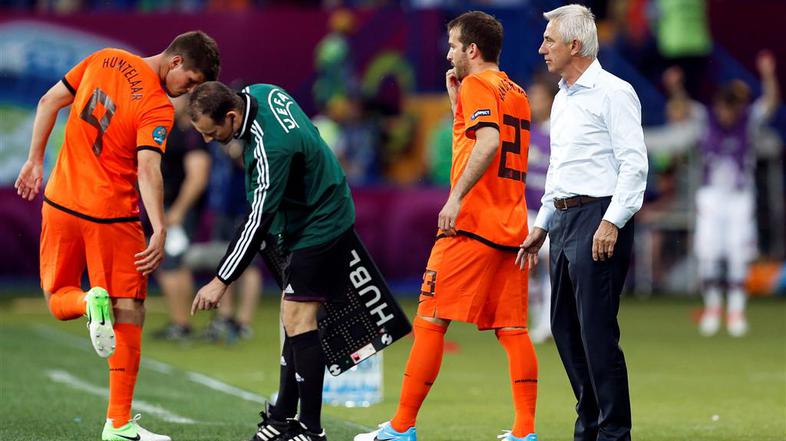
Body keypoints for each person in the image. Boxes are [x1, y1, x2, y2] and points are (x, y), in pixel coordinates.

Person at [13, 31, 219, 441]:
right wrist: (159, 225)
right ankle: (119, 423)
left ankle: (88, 303)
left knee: (58, 299)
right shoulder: (157, 106)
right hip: (112, 216)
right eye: (191, 81)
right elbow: (148, 169)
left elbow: (48, 101)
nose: (188, 91)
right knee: (130, 308)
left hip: (60, 202)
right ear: (176, 62)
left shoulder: (103, 58)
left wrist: (35, 160)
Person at [356, 11, 538, 441]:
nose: (448, 53)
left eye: (454, 45)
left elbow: (489, 142)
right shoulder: (516, 92)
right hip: (510, 225)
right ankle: (524, 431)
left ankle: (401, 427)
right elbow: (485, 140)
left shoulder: (477, 84)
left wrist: (455, 198)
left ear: (472, 49)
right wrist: (458, 109)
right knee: (513, 331)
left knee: (431, 320)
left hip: (472, 224)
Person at [188, 81, 355, 441]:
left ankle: (311, 430)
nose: (207, 140)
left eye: (211, 132)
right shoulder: (259, 91)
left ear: (231, 117)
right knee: (292, 317)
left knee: (298, 318)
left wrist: (221, 280)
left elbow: (257, 219)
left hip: (321, 220)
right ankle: (281, 418)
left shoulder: (270, 147)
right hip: (309, 212)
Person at [518, 5, 647, 441]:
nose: (542, 48)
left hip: (599, 215)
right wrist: (543, 224)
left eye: (549, 40)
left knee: (596, 332)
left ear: (574, 45)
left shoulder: (615, 92)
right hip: (563, 218)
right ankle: (590, 424)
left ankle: (613, 433)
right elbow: (559, 169)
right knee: (564, 329)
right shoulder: (562, 98)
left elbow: (634, 165)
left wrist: (612, 222)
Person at [152, 94, 212, 341]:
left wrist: (179, 210)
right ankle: (179, 322)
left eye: (173, 99)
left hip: (177, 209)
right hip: (165, 206)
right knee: (167, 264)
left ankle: (182, 323)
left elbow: (198, 177)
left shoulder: (193, 134)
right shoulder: (172, 129)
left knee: (174, 263)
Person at [525, 75, 558, 344]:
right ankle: (538, 319)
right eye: (531, 97)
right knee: (527, 268)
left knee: (550, 267)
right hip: (526, 211)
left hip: (551, 212)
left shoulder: (560, 133)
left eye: (539, 98)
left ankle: (549, 323)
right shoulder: (527, 133)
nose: (534, 103)